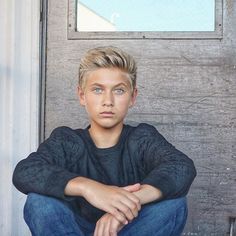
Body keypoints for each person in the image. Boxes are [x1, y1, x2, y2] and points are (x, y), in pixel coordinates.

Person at [13, 46, 196, 236]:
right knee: (39, 203)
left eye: (118, 91)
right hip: (74, 230)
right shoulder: (66, 141)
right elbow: (25, 171)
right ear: (82, 96)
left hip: (130, 228)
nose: (108, 101)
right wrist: (90, 188)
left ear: (133, 97)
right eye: (98, 90)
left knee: (174, 205)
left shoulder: (142, 138)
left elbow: (181, 166)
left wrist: (122, 207)